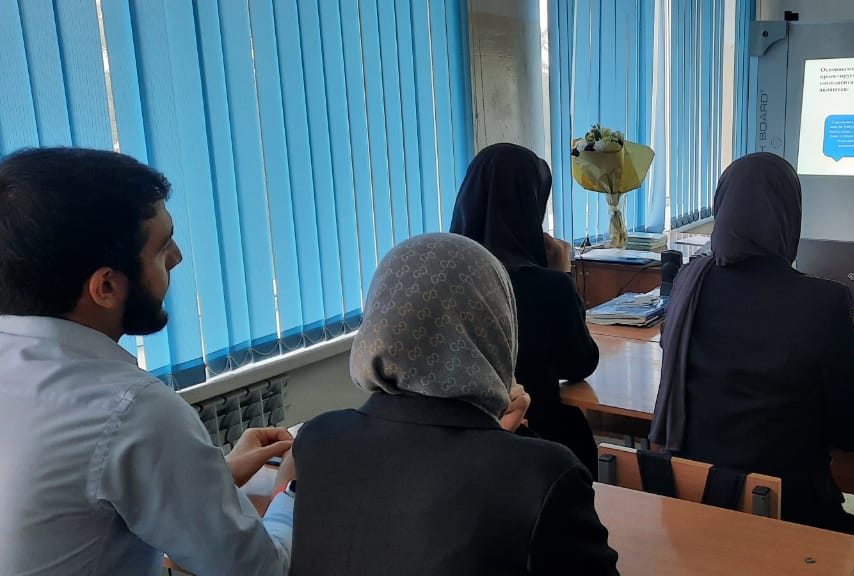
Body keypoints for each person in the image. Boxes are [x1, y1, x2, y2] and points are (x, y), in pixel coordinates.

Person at [0, 147, 296, 575]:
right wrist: (291, 488)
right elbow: (259, 569)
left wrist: (215, 477)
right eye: (161, 248)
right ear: (105, 287)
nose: (177, 257)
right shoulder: (128, 410)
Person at [288, 233, 619, 575]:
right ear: (495, 323)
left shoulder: (317, 440)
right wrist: (505, 444)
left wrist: (497, 437)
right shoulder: (543, 476)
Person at [650, 152, 854, 575]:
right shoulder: (824, 302)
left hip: (691, 506)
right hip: (787, 515)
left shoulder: (688, 283)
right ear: (789, 216)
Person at [450, 143, 600, 470]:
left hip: (453, 449)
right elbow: (579, 364)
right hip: (537, 449)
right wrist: (562, 276)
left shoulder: (442, 278)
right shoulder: (546, 286)